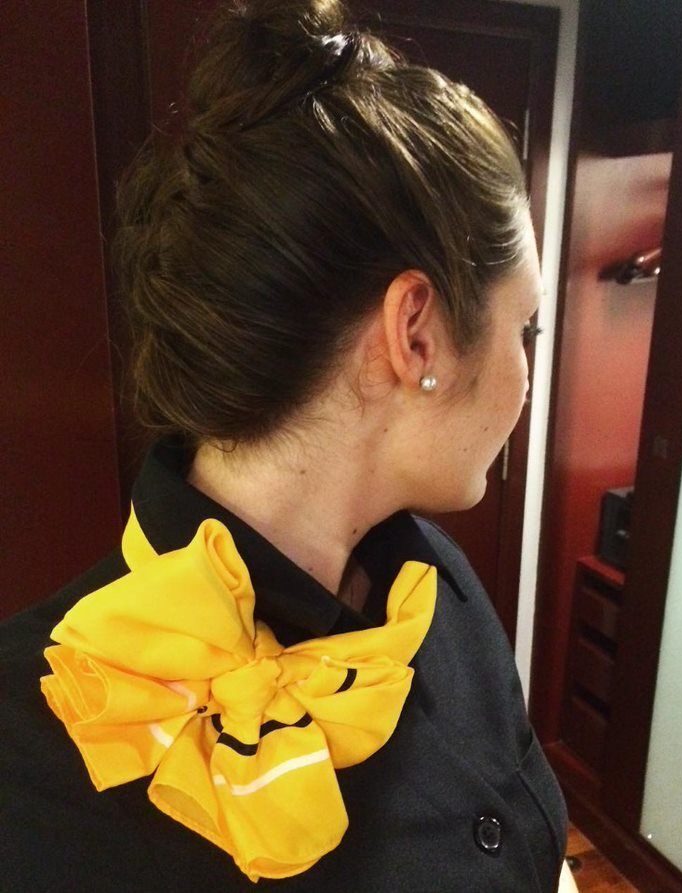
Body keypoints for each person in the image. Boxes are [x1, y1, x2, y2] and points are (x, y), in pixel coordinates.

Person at [0, 0, 572, 889]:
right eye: (524, 328)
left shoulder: (439, 588)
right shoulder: (20, 770)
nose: (526, 377)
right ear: (415, 332)